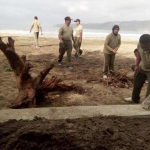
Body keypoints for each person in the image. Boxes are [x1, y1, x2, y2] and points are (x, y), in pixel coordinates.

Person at [124, 34, 150, 103]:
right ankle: (134, 99)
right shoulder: (139, 45)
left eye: (146, 47)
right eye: (142, 47)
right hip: (142, 67)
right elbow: (139, 54)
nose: (144, 49)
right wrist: (137, 65)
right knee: (136, 84)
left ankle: (147, 103)